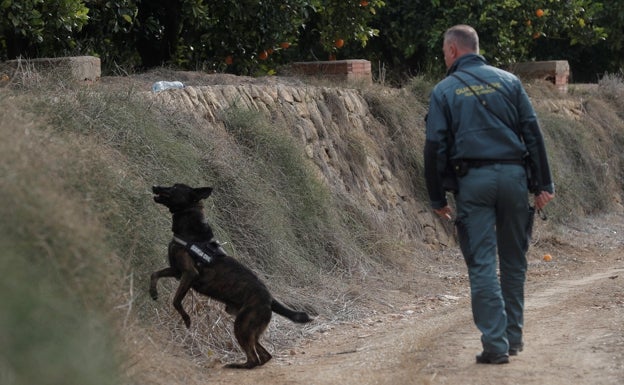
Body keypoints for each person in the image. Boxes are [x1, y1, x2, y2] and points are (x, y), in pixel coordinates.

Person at [423, 25, 555, 364]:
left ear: (452, 50)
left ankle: (495, 347)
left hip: (474, 183)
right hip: (514, 177)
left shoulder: (444, 90)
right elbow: (532, 131)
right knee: (514, 261)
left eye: (443, 51)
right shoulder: (510, 82)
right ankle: (513, 339)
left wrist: (437, 197)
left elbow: (435, 145)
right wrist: (544, 185)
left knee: (482, 263)